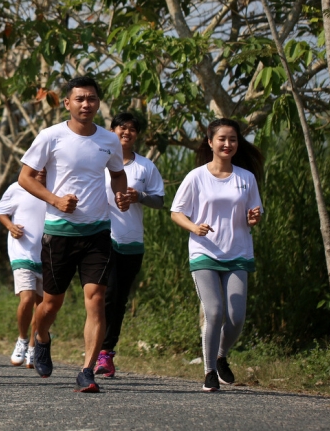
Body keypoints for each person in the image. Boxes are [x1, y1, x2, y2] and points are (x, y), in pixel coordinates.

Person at [18, 76, 131, 393]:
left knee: (96, 301)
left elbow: (118, 175)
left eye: (92, 98)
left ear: (98, 103)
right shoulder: (50, 137)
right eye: (79, 98)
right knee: (51, 304)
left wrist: (120, 195)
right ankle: (41, 336)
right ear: (66, 103)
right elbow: (25, 178)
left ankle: (87, 371)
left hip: (97, 231)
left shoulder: (109, 140)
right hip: (58, 233)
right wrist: (54, 200)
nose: (86, 104)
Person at [169, 118, 263, 392]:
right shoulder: (196, 176)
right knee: (214, 311)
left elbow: (255, 212)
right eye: (221, 139)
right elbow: (177, 212)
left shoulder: (246, 178)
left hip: (238, 253)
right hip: (205, 253)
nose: (227, 144)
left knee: (236, 318)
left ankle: (221, 355)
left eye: (232, 139)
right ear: (210, 142)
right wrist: (194, 227)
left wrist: (254, 217)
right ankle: (209, 371)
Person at [95, 113, 165, 378]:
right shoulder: (98, 162)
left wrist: (140, 196)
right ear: (111, 131)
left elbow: (159, 200)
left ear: (138, 135)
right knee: (105, 295)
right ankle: (99, 349)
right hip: (101, 238)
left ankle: (107, 353)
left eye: (132, 129)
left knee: (119, 299)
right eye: (121, 128)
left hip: (132, 241)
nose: (126, 132)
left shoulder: (145, 167)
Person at [0, 169, 47, 368]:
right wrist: (10, 226)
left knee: (42, 306)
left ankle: (33, 347)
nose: (42, 170)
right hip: (22, 254)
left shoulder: (54, 188)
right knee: (27, 298)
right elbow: (1, 211)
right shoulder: (17, 187)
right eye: (38, 166)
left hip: (46, 256)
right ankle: (22, 339)